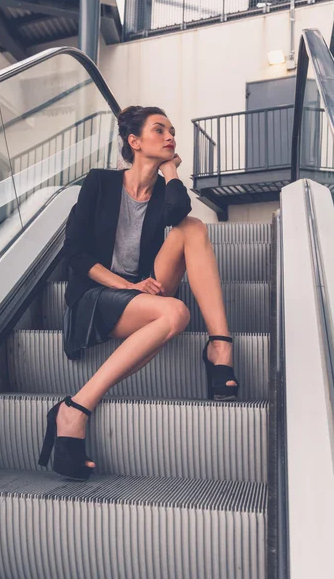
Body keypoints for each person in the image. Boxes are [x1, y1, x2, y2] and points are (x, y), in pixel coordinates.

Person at [38, 105, 239, 481]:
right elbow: (75, 254)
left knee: (193, 228)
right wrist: (126, 285)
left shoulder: (165, 190)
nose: (170, 136)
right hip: (96, 297)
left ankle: (219, 345)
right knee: (175, 313)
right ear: (134, 141)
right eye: (159, 130)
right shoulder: (99, 182)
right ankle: (76, 406)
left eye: (172, 131)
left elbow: (179, 211)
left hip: (143, 289)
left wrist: (171, 170)